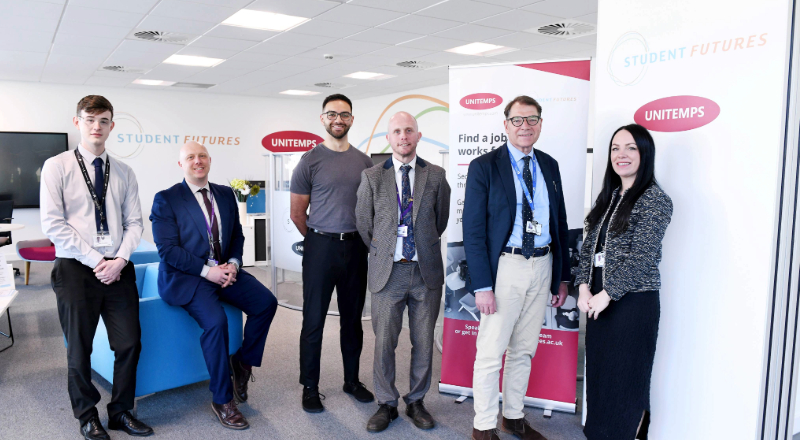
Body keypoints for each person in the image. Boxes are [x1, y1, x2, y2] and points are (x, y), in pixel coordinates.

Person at [41, 95, 153, 440]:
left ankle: (120, 411)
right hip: (76, 269)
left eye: (103, 121)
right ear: (77, 122)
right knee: (79, 348)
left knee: (129, 343)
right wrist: (97, 260)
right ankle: (86, 416)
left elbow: (135, 223)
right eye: (90, 119)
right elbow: (53, 224)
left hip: (118, 269)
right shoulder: (57, 166)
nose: (96, 127)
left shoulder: (124, 171)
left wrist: (119, 260)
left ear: (111, 126)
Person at [463, 95, 571, 440]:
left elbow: (560, 222)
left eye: (532, 120)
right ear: (505, 124)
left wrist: (562, 277)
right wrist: (482, 285)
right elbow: (473, 230)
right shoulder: (485, 166)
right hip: (505, 267)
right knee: (492, 351)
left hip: (543, 263)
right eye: (518, 120)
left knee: (524, 348)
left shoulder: (550, 165)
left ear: (540, 123)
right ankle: (483, 426)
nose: (525, 127)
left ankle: (513, 416)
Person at [150, 141, 278, 430]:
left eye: (203, 156)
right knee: (216, 323)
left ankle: (242, 363)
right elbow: (167, 250)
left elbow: (236, 236)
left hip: (224, 271)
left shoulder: (224, 193)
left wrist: (233, 262)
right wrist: (208, 272)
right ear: (181, 164)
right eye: (191, 157)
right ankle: (222, 400)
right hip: (189, 277)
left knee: (266, 303)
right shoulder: (166, 199)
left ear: (210, 160)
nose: (198, 161)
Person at [575, 124, 672, 440]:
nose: (622, 154)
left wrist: (609, 293)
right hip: (600, 304)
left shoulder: (654, 199)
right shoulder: (611, 196)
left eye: (631, 147)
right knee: (601, 381)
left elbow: (642, 256)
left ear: (645, 152)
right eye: (616, 148)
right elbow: (590, 247)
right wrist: (583, 287)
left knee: (626, 384)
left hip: (633, 305)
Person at [355, 112, 451, 432]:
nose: (403, 136)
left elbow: (441, 220)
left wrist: (419, 243)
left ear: (418, 135)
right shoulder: (372, 177)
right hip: (388, 271)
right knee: (384, 342)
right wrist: (386, 250)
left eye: (409, 130)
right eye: (396, 131)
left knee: (423, 341)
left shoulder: (435, 175)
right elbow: (364, 225)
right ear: (389, 138)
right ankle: (386, 403)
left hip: (425, 272)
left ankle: (416, 401)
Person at [290, 94, 375, 412]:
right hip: (320, 247)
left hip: (356, 248)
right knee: (313, 321)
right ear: (322, 118)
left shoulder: (364, 162)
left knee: (353, 321)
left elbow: (370, 209)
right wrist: (318, 240)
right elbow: (298, 213)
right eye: (332, 114)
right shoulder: (309, 161)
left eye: (344, 114)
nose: (338, 119)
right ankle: (309, 387)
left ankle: (351, 380)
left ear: (352, 119)